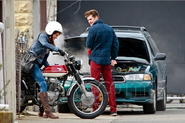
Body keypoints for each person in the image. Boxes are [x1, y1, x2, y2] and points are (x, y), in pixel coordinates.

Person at [84, 9, 119, 116]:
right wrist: (113, 58)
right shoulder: (109, 29)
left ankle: (96, 109)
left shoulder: (93, 29)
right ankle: (113, 109)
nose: (89, 21)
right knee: (110, 85)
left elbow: (88, 44)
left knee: (94, 85)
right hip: (106, 61)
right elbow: (116, 44)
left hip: (95, 60)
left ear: (96, 18)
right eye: (88, 20)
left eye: (90, 19)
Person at [29, 21, 66, 119]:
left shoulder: (47, 46)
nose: (56, 37)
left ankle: (41, 112)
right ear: (51, 31)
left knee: (46, 83)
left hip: (36, 64)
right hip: (32, 63)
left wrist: (51, 68)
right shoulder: (43, 36)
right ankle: (47, 111)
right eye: (56, 34)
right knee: (43, 84)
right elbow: (44, 43)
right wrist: (58, 49)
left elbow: (44, 61)